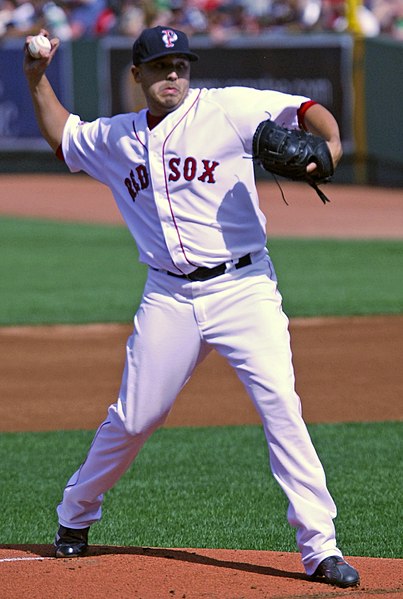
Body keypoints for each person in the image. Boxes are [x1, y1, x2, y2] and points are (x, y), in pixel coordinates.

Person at [23, 25, 360, 588]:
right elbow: (63, 136)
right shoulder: (115, 138)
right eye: (159, 67)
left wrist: (332, 147)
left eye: (180, 65)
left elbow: (307, 109)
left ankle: (320, 547)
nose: (172, 75)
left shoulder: (226, 110)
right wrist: (36, 77)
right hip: (169, 297)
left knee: (281, 404)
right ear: (137, 76)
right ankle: (75, 514)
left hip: (244, 289)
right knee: (135, 418)